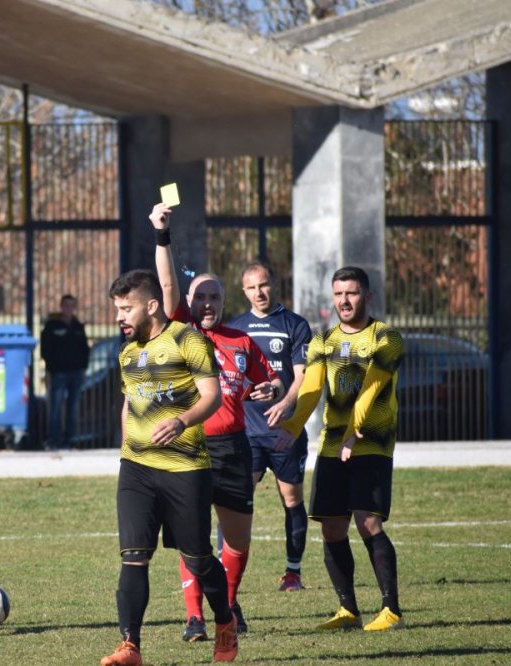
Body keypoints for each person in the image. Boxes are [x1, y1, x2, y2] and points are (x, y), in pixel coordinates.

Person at [150, 203, 284, 641]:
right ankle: (194, 617)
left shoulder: (242, 340)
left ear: (225, 302)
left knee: (238, 543)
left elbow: (271, 383)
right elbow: (168, 281)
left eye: (214, 296)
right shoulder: (182, 331)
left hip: (233, 448)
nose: (206, 303)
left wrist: (272, 391)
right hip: (188, 448)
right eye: (200, 296)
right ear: (188, 304)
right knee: (192, 540)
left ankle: (225, 603)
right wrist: (162, 234)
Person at [100, 268, 238, 666]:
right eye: (117, 309)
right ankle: (130, 646)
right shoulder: (127, 352)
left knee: (198, 559)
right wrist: (127, 443)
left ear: (152, 305)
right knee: (132, 556)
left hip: (186, 468)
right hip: (137, 469)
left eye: (126, 309)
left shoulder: (186, 339)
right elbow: (130, 401)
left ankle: (225, 620)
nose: (120, 317)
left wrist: (181, 421)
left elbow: (212, 396)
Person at [276, 266, 406, 632]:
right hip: (333, 447)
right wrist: (291, 426)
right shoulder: (323, 342)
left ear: (367, 296)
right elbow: (311, 391)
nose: (344, 301)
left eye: (351, 293)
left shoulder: (387, 338)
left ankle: (391, 609)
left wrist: (354, 433)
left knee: (368, 522)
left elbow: (372, 389)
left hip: (371, 443)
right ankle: (348, 610)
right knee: (332, 528)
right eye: (338, 294)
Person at [229, 261, 314, 592]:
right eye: (251, 287)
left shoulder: (294, 324)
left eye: (263, 285)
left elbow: (303, 374)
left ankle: (293, 571)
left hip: (284, 433)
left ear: (274, 284)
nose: (258, 292)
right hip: (247, 433)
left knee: (291, 499)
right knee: (236, 500)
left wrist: (286, 403)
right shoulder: (236, 329)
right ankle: (226, 569)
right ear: (243, 291)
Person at [40, 294, 91, 449]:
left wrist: (83, 368)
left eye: (71, 305)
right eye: (66, 305)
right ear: (61, 306)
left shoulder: (77, 326)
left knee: (73, 408)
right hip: (58, 373)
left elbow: (84, 349)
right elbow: (45, 348)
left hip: (75, 373)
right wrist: (52, 366)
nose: (69, 308)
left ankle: (70, 441)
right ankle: (53, 440)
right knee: (55, 408)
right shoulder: (52, 325)